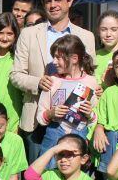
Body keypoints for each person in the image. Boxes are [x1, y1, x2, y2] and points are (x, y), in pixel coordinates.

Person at [10, 0, 96, 162]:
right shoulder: (29, 34)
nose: (53, 5)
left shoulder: (86, 36)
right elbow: (16, 75)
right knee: (38, 179)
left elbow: (90, 75)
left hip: (73, 123)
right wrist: (37, 82)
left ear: (70, 2)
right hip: (36, 117)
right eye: (48, 1)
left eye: (58, 0)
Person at [35, 35, 100, 163]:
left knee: (76, 178)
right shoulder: (52, 81)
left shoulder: (91, 82)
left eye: (58, 57)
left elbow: (97, 119)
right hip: (53, 136)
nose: (54, 62)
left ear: (74, 58)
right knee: (49, 174)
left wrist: (90, 114)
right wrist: (50, 113)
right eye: (54, 57)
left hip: (79, 136)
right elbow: (40, 117)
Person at [0, 12, 23, 133]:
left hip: (12, 118)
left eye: (9, 34)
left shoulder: (18, 59)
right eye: (0, 33)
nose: (5, 38)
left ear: (16, 35)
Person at [95, 11, 118, 87]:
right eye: (104, 29)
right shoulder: (93, 55)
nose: (108, 34)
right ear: (98, 31)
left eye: (113, 29)